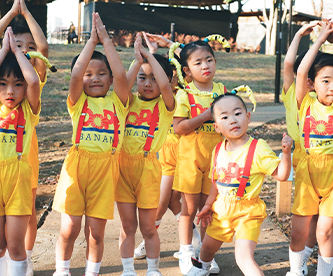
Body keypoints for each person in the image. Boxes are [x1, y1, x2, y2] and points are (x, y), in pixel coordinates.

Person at [52, 12, 129, 276]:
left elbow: (121, 74)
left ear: (109, 79)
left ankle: (92, 272)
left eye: (101, 74)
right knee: (69, 229)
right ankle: (62, 270)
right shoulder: (78, 102)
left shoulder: (119, 102)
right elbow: (74, 75)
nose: (95, 78)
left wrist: (106, 40)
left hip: (105, 170)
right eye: (89, 74)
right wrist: (91, 43)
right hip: (77, 166)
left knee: (96, 233)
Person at [185, 92, 292, 276]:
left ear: (248, 117)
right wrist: (208, 205)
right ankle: (202, 265)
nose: (233, 120)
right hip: (221, 211)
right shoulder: (218, 149)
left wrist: (286, 152)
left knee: (243, 258)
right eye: (225, 117)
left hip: (247, 213)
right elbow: (216, 182)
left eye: (237, 113)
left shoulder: (258, 148)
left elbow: (282, 175)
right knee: (207, 248)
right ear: (217, 126)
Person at [133, 32, 201, 261]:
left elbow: (188, 61)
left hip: (180, 154)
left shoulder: (180, 92)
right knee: (172, 202)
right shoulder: (155, 92)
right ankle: (193, 238)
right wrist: (152, 52)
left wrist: (172, 45)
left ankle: (149, 240)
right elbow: (152, 72)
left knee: (160, 203)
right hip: (163, 153)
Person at [115, 32, 175, 276]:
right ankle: (128, 269)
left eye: (153, 78)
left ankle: (153, 269)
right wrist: (137, 60)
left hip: (149, 169)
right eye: (143, 78)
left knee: (148, 227)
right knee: (127, 226)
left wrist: (149, 55)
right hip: (123, 167)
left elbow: (163, 85)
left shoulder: (166, 104)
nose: (148, 83)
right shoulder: (127, 100)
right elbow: (123, 84)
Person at [171, 38, 229, 275]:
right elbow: (179, 128)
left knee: (209, 209)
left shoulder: (222, 90)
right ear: (187, 70)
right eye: (198, 62)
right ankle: (186, 252)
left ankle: (206, 255)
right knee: (190, 208)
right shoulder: (185, 94)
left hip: (215, 159)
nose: (205, 65)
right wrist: (206, 115)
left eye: (209, 60)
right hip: (190, 159)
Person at [0, 0, 49, 275]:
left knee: (22, 225)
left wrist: (18, 52)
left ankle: (24, 260)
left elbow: (31, 78)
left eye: (15, 84)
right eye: (4, 84)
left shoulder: (28, 101)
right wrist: (7, 47)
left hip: (20, 165)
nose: (10, 90)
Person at [287, 20, 333, 276]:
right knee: (298, 233)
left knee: (325, 232)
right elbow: (302, 70)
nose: (332, 86)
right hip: (307, 174)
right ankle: (296, 270)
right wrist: (321, 38)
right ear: (313, 85)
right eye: (326, 80)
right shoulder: (305, 103)